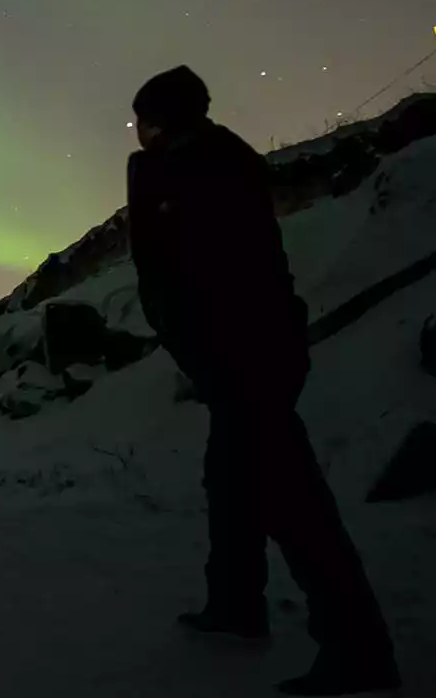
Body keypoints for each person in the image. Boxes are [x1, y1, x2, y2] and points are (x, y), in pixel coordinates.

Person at [128, 66, 398, 696]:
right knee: (230, 479)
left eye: (147, 120)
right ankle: (236, 603)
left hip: (248, 355)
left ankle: (359, 649)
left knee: (293, 500)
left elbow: (203, 268)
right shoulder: (200, 161)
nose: (140, 133)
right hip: (240, 355)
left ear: (166, 119)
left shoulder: (211, 166)